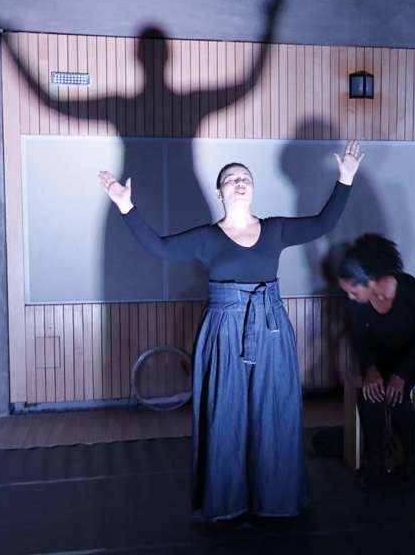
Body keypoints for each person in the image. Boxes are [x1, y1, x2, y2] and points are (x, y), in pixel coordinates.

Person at [98, 140, 365, 521]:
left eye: (245, 178)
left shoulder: (275, 230)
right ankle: (226, 501)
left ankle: (275, 499)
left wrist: (345, 178)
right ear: (220, 192)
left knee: (274, 411)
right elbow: (157, 247)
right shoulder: (206, 237)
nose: (239, 182)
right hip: (224, 329)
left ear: (252, 189)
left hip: (270, 325)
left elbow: (323, 223)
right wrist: (125, 205)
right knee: (226, 414)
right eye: (230, 179)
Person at [337, 234, 415, 489]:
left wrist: (402, 375)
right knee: (369, 395)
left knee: (397, 397)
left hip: (412, 356)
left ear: (370, 281)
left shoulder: (409, 288)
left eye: (353, 290)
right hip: (378, 358)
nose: (350, 297)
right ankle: (375, 462)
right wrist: (370, 369)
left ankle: (411, 461)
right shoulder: (358, 302)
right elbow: (359, 337)